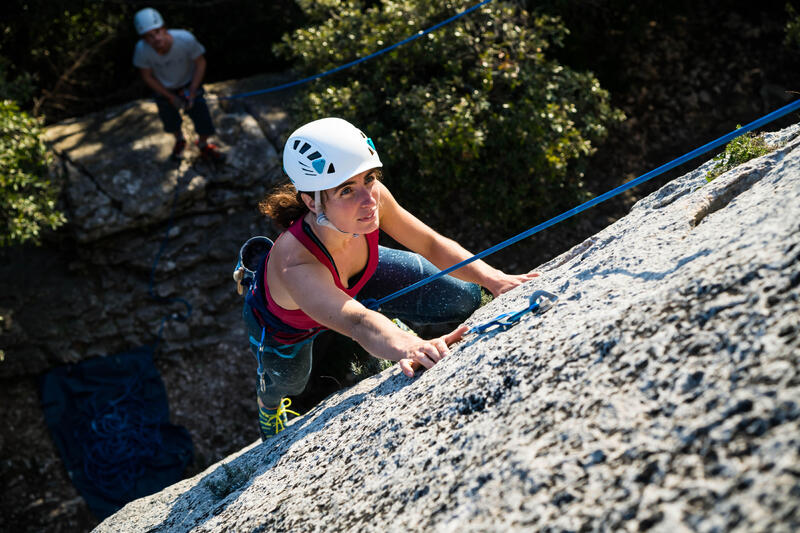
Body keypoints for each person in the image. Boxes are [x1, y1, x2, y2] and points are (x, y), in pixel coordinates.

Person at [238, 117, 538, 441]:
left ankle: (387, 323)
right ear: (312, 202)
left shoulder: (372, 197)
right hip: (287, 326)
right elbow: (357, 321)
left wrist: (494, 279)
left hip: (360, 278)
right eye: (347, 190)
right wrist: (411, 347)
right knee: (288, 383)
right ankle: (266, 407)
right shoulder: (295, 263)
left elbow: (430, 243)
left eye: (369, 178)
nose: (368, 200)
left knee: (462, 296)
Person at [132, 7, 223, 161]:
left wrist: (193, 90)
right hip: (165, 88)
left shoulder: (185, 39)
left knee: (203, 120)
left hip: (189, 83)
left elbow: (200, 63)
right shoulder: (142, 50)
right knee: (170, 121)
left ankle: (202, 144)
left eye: (158, 32)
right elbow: (147, 77)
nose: (156, 38)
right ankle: (179, 139)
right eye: (149, 36)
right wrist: (170, 96)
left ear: (164, 29)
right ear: (144, 39)